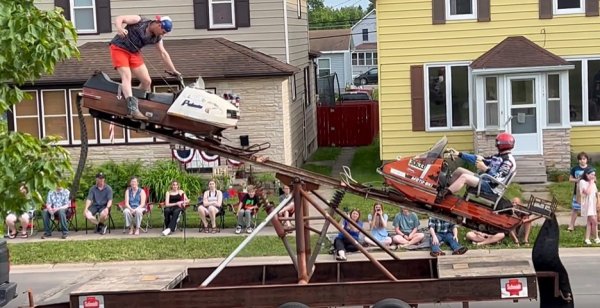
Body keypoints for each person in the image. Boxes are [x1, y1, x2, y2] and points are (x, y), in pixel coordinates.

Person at [109, 15, 180, 120]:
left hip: (134, 53)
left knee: (147, 81)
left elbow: (163, 53)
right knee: (126, 75)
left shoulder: (157, 38)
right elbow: (120, 18)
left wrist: (173, 70)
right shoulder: (139, 20)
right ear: (159, 25)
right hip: (119, 48)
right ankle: (132, 109)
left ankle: (132, 98)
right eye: (163, 32)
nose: (163, 35)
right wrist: (119, 28)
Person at [440, 132, 516, 203]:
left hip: (491, 188)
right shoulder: (498, 156)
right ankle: (443, 188)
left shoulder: (508, 161)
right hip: (485, 180)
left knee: (464, 177)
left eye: (497, 142)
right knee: (459, 170)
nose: (496, 144)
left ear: (502, 144)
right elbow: (480, 159)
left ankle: (442, 195)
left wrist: (485, 168)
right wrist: (459, 154)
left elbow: (497, 180)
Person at [578, 168, 600, 245]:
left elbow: (596, 193)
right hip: (587, 204)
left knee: (589, 222)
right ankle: (596, 237)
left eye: (594, 175)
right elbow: (587, 192)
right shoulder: (582, 182)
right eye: (591, 174)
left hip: (593, 204)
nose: (593, 176)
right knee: (594, 221)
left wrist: (598, 203)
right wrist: (591, 183)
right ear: (587, 174)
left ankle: (587, 239)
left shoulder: (593, 183)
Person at [567, 152, 589, 232]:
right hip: (577, 192)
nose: (582, 161)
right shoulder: (575, 168)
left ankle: (589, 225)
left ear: (586, 160)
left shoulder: (589, 169)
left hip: (587, 192)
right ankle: (571, 225)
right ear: (578, 160)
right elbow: (570, 179)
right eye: (580, 159)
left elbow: (595, 179)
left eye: (584, 159)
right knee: (575, 209)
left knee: (588, 209)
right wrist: (577, 180)